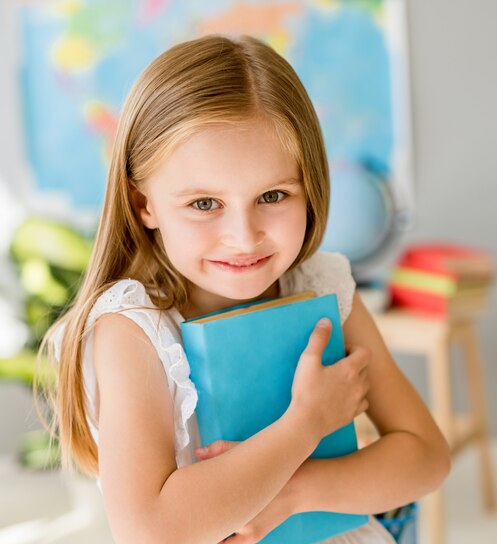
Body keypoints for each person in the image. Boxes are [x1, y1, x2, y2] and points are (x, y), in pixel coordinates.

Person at [40, 34, 450, 543]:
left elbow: (427, 458)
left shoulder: (321, 285)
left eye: (272, 195)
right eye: (205, 204)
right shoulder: (132, 330)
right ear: (144, 203)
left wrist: (293, 492)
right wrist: (305, 424)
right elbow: (150, 531)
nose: (244, 236)